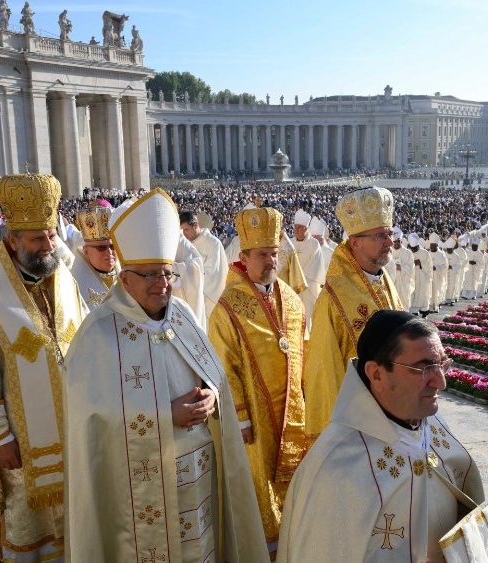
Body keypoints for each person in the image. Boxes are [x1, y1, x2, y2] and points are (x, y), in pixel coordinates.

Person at [64, 188, 267, 562]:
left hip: (199, 477)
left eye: (167, 273)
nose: (162, 283)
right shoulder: (97, 334)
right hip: (140, 493)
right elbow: (89, 421)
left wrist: (212, 394)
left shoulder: (183, 316)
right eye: (149, 275)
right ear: (125, 279)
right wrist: (162, 414)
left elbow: (213, 376)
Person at [279, 310, 488, 562]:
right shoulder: (335, 469)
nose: (441, 383)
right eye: (423, 369)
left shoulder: (431, 424)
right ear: (376, 374)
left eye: (442, 365)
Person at [0, 172, 88, 562]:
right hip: (24, 442)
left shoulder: (65, 281)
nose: (48, 245)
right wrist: (0, 438)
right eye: (37, 239)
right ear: (13, 241)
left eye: (51, 235)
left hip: (77, 430)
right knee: (32, 531)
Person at [208, 206, 309, 556]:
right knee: (259, 486)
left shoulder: (292, 300)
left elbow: (303, 349)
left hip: (293, 411)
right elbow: (224, 366)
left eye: (274, 254)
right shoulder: (227, 307)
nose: (271, 261)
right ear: (244, 257)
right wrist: (240, 417)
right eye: (263, 255)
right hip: (253, 417)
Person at [303, 187, 403, 437]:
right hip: (359, 421)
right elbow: (324, 370)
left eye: (389, 233)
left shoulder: (384, 279)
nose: (389, 242)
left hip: (397, 406)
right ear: (355, 242)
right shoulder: (332, 298)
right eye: (380, 235)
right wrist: (337, 432)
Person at [180, 210, 229, 322]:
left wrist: (189, 280)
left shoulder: (213, 243)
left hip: (207, 298)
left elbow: (213, 275)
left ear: (196, 226)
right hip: (189, 296)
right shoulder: (184, 244)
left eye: (186, 230)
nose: (184, 234)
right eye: (181, 231)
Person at [71, 204, 119, 307]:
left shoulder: (128, 275)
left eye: (112, 246)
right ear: (86, 251)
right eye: (101, 248)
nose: (109, 252)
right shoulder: (72, 287)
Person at [288, 208, 326, 329]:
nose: (296, 230)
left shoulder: (313, 244)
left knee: (306, 320)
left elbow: (315, 266)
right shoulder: (289, 243)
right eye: (295, 227)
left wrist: (300, 281)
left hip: (307, 289)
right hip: (290, 286)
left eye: (299, 227)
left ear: (306, 228)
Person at [407, 233, 431, 315]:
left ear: (417, 245)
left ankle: (424, 310)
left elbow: (429, 265)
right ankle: (413, 310)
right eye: (412, 248)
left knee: (422, 292)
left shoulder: (425, 252)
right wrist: (412, 263)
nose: (413, 250)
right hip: (412, 276)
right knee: (413, 292)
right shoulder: (408, 253)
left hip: (422, 276)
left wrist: (420, 263)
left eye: (414, 248)